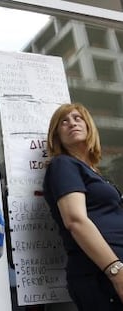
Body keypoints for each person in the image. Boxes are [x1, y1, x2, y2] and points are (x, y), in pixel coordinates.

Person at [43, 103, 123, 310]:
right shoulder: (63, 164)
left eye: (78, 118)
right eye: (64, 121)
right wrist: (115, 271)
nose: (72, 123)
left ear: (88, 126)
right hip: (101, 273)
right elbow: (75, 221)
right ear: (57, 135)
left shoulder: (94, 172)